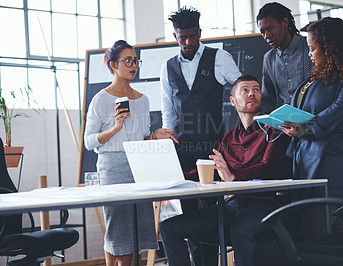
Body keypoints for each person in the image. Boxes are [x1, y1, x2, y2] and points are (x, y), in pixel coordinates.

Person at [159, 75, 293, 266]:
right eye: (245, 90)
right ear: (233, 101)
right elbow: (212, 169)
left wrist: (234, 176)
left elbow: (268, 167)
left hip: (269, 204)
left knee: (240, 229)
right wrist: (173, 177)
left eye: (256, 90)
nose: (252, 94)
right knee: (169, 228)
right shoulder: (229, 138)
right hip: (235, 206)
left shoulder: (274, 129)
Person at [279, 17, 343, 235]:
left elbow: (340, 110)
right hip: (307, 161)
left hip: (335, 162)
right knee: (314, 231)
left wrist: (303, 129)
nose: (309, 54)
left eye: (313, 49)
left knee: (322, 230)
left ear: (330, 48)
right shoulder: (321, 75)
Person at [84, 40, 177, 266]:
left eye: (135, 61)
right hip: (112, 168)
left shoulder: (142, 101)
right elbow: (88, 141)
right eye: (127, 61)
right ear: (114, 65)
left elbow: (142, 137)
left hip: (139, 167)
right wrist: (115, 127)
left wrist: (154, 136)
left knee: (134, 229)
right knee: (117, 227)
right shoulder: (101, 99)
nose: (133, 65)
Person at [160, 6, 241, 265]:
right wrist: (168, 146)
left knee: (212, 212)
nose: (188, 42)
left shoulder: (220, 58)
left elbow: (241, 89)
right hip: (183, 151)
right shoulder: (168, 67)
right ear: (175, 36)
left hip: (212, 148)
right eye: (182, 37)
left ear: (200, 33)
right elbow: (167, 110)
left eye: (192, 36)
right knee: (189, 214)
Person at [256, 2, 313, 114]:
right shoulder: (269, 58)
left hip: (312, 122)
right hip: (282, 125)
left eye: (270, 28)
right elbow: (268, 98)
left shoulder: (310, 48)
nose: (267, 36)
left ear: (285, 22)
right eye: (263, 32)